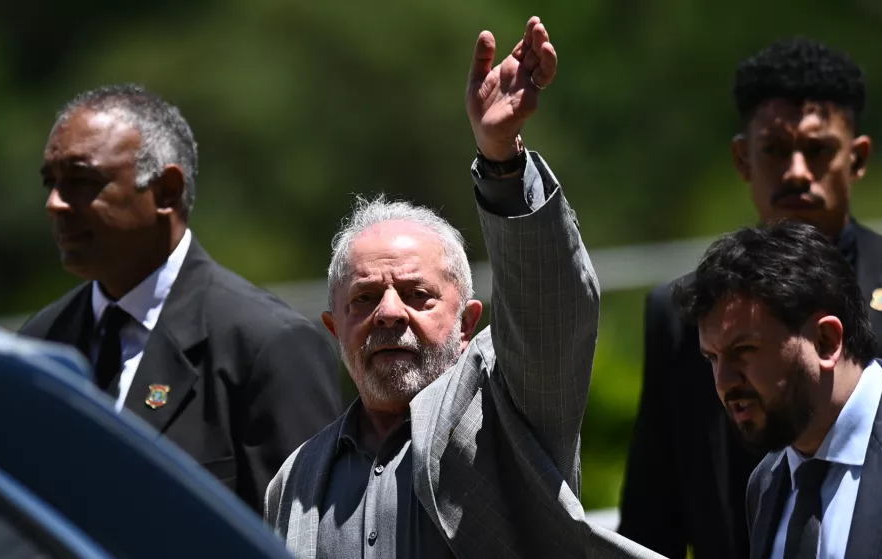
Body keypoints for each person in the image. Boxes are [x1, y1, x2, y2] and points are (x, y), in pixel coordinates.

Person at [263, 16, 662, 559]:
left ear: (468, 322)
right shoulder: (294, 484)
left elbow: (550, 309)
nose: (387, 313)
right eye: (362, 299)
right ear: (334, 327)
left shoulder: (509, 408)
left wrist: (501, 159)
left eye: (416, 294)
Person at [617, 37, 882, 559]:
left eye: (818, 149)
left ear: (858, 156)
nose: (797, 171)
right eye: (775, 149)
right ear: (742, 157)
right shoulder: (687, 307)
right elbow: (653, 504)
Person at [17, 84, 342, 515]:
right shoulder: (39, 345)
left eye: (80, 181)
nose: (54, 203)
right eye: (50, 182)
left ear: (167, 190)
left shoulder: (267, 345)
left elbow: (305, 537)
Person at [673, 220, 882, 558]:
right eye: (712, 358)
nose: (724, 381)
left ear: (826, 341)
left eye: (744, 350)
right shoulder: (766, 482)